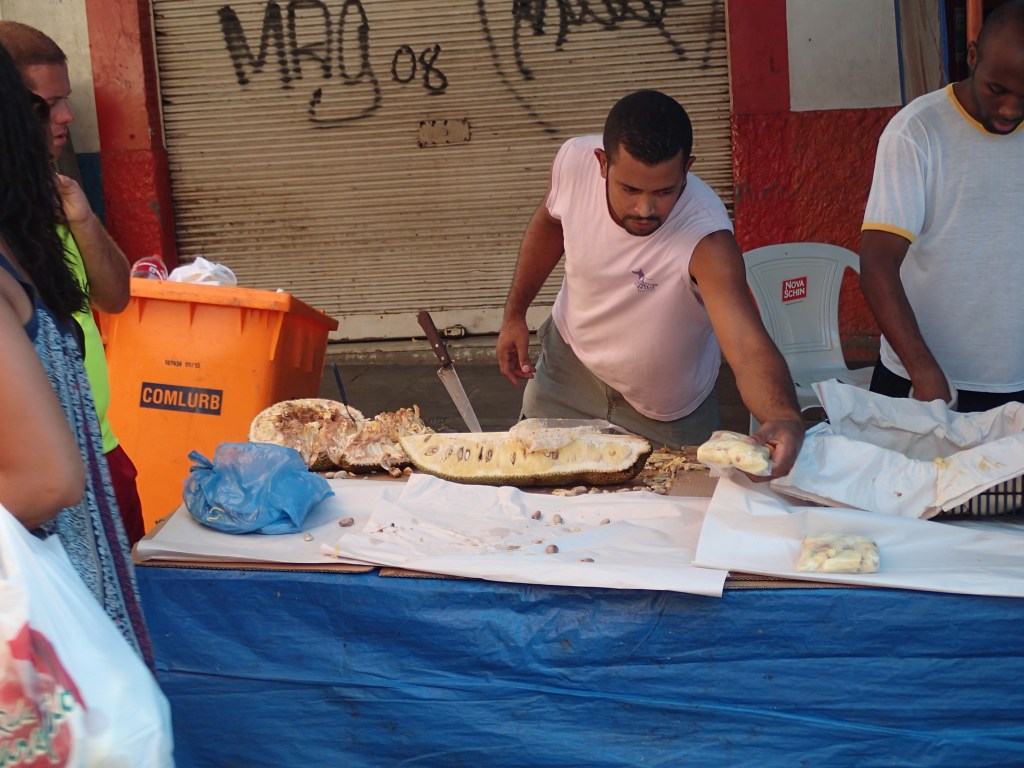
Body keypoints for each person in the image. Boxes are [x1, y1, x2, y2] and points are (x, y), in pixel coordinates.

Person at [496, 90, 804, 476]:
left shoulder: (707, 238)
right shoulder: (574, 162)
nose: (645, 209)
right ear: (602, 163)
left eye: (664, 191)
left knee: (676, 508)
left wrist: (783, 417)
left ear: (686, 169)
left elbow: (745, 344)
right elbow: (550, 223)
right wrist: (515, 314)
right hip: (568, 371)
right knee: (532, 484)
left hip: (668, 412)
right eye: (630, 189)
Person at [0, 41, 151, 663]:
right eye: (48, 103)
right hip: (57, 502)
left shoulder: (43, 211)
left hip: (96, 457)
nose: (66, 116)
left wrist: (84, 221)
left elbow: (115, 296)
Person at [859, 0, 1024, 412]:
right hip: (924, 383)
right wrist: (922, 370)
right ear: (972, 56)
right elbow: (877, 263)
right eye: (997, 89)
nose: (1010, 109)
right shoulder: (916, 131)